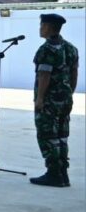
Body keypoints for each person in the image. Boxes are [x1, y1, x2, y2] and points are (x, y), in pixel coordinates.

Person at [31, 14, 78, 187]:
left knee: (47, 135)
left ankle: (53, 173)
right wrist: (68, 94)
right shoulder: (71, 48)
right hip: (65, 100)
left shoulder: (46, 50)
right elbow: (74, 74)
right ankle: (63, 173)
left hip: (49, 101)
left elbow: (44, 75)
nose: (40, 28)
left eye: (42, 25)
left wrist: (40, 99)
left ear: (49, 27)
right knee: (61, 135)